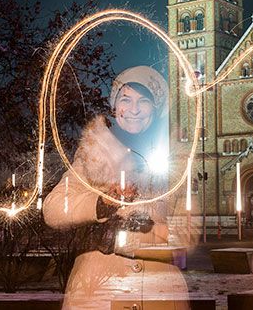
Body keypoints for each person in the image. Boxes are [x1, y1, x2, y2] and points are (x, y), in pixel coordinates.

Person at [43, 66, 188, 309]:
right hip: (98, 290)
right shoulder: (94, 154)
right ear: (114, 106)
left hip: (159, 293)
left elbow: (186, 231)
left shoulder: (176, 161)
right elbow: (53, 209)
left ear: (156, 109)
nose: (133, 109)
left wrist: (130, 238)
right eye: (125, 99)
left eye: (144, 101)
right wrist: (101, 204)